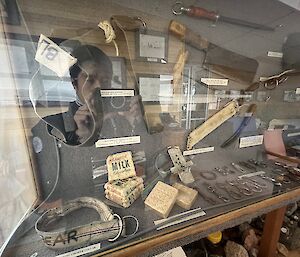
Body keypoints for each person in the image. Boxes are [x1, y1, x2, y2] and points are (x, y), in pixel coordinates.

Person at [31, 44, 150, 201]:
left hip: (126, 198)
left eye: (105, 80)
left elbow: (143, 158)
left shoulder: (120, 114)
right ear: (74, 84)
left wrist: (137, 124)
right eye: (91, 79)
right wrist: (80, 136)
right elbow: (60, 186)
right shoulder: (56, 126)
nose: (99, 87)